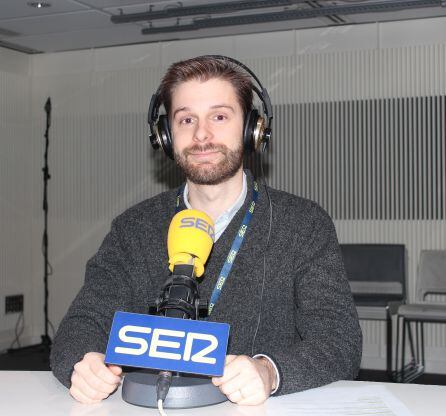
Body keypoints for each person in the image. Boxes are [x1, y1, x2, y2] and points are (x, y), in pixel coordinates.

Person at [50, 55, 362, 406]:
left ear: (252, 129)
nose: (202, 134)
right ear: (166, 136)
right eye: (186, 119)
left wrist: (270, 371)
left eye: (219, 116)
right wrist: (82, 363)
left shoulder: (303, 224)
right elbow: (82, 322)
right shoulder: (133, 228)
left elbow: (339, 341)